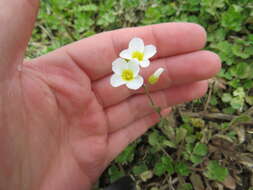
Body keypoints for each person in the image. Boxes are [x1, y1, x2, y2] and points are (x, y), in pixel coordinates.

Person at [0, 1, 221, 190]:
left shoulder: (135, 66)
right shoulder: (127, 69)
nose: (126, 71)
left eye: (128, 71)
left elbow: (135, 68)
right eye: (126, 71)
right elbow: (126, 71)